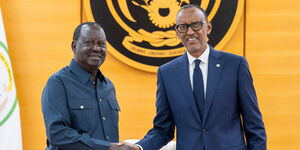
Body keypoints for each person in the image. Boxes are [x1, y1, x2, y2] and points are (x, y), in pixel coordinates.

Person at [125, 4, 267, 150]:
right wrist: (139, 147)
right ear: (177, 32)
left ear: (208, 28)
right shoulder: (167, 73)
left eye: (196, 25)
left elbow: (254, 126)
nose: (190, 32)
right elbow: (163, 129)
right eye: (183, 27)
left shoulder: (235, 65)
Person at [42, 22, 125, 150]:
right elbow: (57, 135)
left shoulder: (108, 86)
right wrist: (107, 148)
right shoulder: (58, 83)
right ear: (74, 47)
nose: (96, 48)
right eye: (89, 43)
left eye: (101, 44)